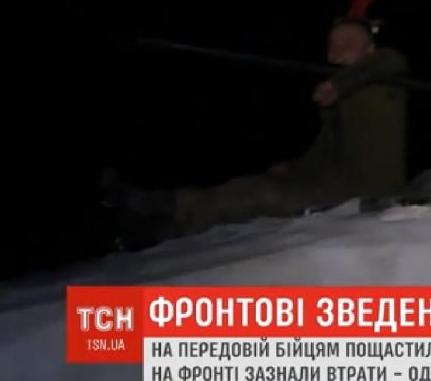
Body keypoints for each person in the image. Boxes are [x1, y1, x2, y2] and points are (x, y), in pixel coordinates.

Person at [106, 18, 410, 246]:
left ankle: (163, 230)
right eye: (333, 44)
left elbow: (389, 61)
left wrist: (339, 84)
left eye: (348, 42)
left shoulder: (385, 83)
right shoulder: (338, 100)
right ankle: (158, 204)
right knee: (250, 184)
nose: (337, 51)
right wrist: (293, 167)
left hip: (368, 190)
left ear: (370, 48)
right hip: (330, 181)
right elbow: (325, 150)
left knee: (262, 195)